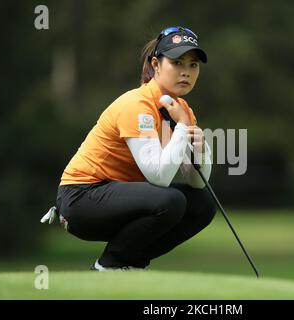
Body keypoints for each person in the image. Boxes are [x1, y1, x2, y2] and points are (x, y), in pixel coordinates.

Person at [41, 26, 216, 271]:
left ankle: (131, 263)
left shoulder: (182, 110)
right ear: (156, 64)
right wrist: (183, 128)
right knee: (171, 200)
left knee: (203, 204)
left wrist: (202, 152)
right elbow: (159, 176)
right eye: (177, 62)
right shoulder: (137, 104)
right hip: (81, 199)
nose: (186, 72)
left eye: (193, 65)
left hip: (120, 198)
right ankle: (110, 264)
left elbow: (199, 183)